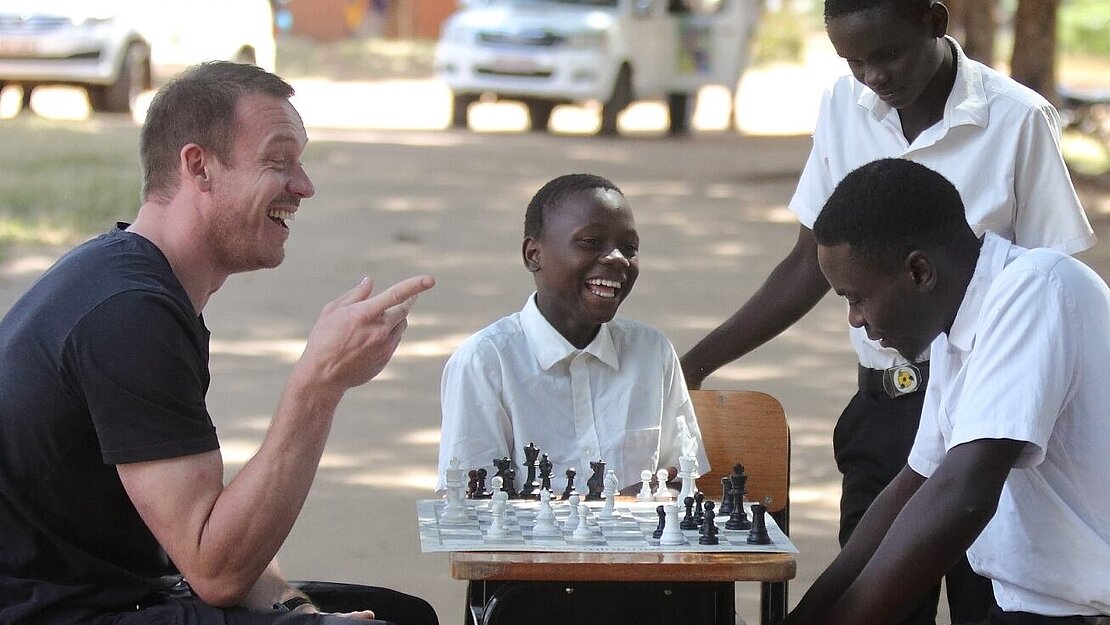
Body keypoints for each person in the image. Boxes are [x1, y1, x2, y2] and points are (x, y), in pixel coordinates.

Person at [679, 0, 1095, 622]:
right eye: (853, 63)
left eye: (887, 55)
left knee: (979, 583)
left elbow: (961, 493)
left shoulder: (1023, 284)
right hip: (898, 399)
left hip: (1049, 541)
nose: (871, 78)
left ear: (935, 21)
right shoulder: (958, 338)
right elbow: (908, 494)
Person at [0, 62, 437, 624]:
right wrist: (318, 386)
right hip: (50, 612)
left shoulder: (130, 280)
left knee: (399, 614)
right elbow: (215, 568)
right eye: (278, 162)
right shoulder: (129, 312)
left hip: (107, 593)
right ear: (198, 166)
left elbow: (215, 532)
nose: (304, 186)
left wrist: (297, 614)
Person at [787, 157, 1110, 625]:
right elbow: (913, 486)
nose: (855, 320)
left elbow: (965, 491)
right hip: (1031, 610)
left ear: (919, 272)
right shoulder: (955, 332)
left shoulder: (1034, 288)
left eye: (856, 297)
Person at [436, 173, 709, 493]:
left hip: (640, 545)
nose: (617, 258)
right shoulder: (485, 362)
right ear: (533, 255)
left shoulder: (652, 351)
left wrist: (648, 498)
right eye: (591, 242)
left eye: (629, 247)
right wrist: (612, 509)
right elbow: (475, 501)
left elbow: (680, 476)